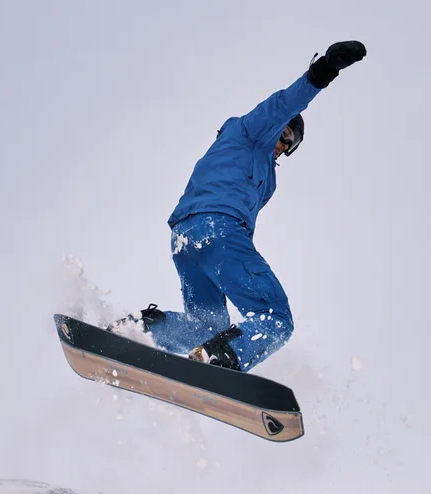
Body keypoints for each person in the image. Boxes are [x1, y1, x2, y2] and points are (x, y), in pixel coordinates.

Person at [124, 40, 367, 371]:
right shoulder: (249, 132)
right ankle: (223, 359)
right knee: (275, 317)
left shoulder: (267, 179)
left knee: (207, 328)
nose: (281, 142)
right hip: (218, 229)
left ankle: (137, 332)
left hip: (186, 239)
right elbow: (284, 103)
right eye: (280, 133)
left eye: (288, 141)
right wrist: (324, 70)